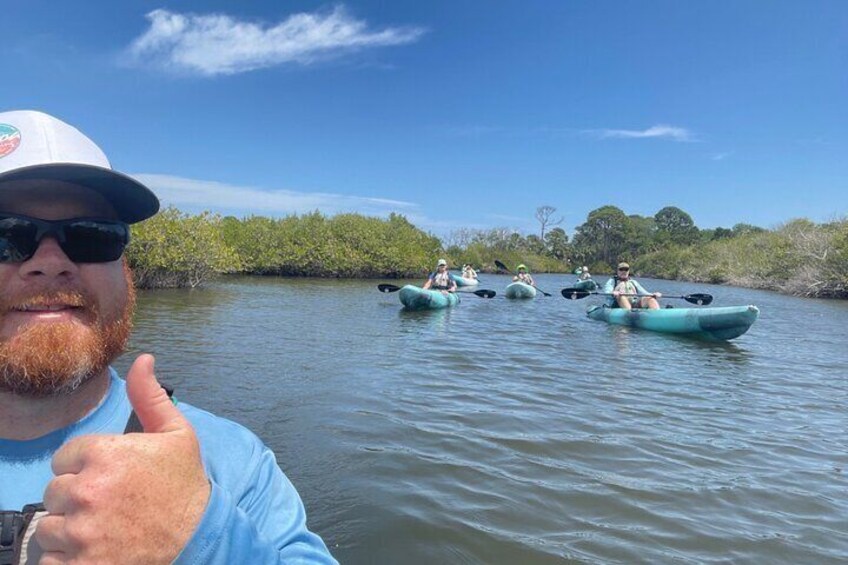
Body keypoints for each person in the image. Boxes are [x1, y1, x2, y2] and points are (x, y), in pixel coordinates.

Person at [0, 110, 336, 564]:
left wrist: (197, 542)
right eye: (6, 234)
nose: (51, 262)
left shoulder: (231, 462)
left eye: (91, 237)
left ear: (125, 272)